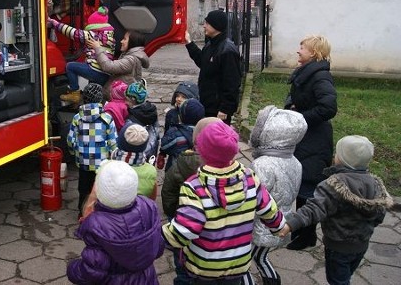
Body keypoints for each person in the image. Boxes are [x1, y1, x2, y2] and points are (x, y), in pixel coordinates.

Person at [162, 121, 286, 284]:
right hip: (238, 265)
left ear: (200, 151)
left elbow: (184, 231)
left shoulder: (194, 187)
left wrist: (159, 237)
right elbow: (269, 210)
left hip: (204, 267)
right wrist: (279, 227)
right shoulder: (250, 178)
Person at [278, 136, 393, 285]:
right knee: (345, 276)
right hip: (362, 244)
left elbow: (314, 208)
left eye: (338, 153)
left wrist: (291, 224)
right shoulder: (376, 184)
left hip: (337, 245)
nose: (334, 156)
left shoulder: (333, 185)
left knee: (336, 280)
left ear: (343, 159)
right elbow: (379, 214)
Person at [67, 160, 165, 284]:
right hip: (146, 279)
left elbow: (92, 271)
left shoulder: (97, 226)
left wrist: (73, 268)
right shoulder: (149, 208)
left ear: (100, 193)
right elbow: (158, 246)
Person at [284, 34, 338, 250]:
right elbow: (297, 98)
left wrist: (300, 116)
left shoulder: (320, 77)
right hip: (306, 137)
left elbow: (328, 108)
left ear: (314, 53)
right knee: (301, 184)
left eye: (302, 47)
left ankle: (308, 236)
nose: (298, 50)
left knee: (307, 187)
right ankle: (301, 232)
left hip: (315, 140)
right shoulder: (307, 73)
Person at [249, 105, 308, 285]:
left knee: (251, 258)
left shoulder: (262, 164)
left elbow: (254, 199)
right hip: (282, 220)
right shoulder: (295, 161)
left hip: (263, 223)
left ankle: (272, 281)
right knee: (260, 255)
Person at [161, 116, 218, 285]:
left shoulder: (179, 165)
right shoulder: (233, 171)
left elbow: (168, 194)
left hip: (183, 223)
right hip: (216, 244)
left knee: (183, 265)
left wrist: (173, 214)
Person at [80, 122, 158, 220]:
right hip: (136, 219)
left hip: (108, 221)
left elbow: (92, 200)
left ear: (120, 142)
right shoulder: (151, 171)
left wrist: (86, 218)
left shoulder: (105, 168)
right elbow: (151, 199)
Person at [67, 83, 117, 216]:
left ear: (84, 98)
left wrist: (74, 153)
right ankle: (99, 213)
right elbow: (113, 143)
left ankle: (82, 212)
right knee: (100, 188)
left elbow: (71, 140)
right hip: (102, 163)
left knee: (83, 188)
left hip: (83, 161)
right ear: (100, 99)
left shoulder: (77, 118)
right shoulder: (106, 119)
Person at [185, 10, 242, 124]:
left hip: (218, 110)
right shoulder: (211, 44)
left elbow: (232, 83)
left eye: (207, 23)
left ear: (216, 25)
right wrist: (189, 43)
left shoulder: (228, 51)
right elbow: (203, 62)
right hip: (207, 104)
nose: (204, 26)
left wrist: (225, 109)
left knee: (216, 139)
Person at [49, 6, 115, 105]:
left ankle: (74, 92)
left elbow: (73, 33)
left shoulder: (93, 34)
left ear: (94, 25)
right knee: (93, 96)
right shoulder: (110, 37)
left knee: (70, 66)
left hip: (95, 70)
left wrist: (56, 24)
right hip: (105, 74)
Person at [158, 98, 205, 172]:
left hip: (177, 169)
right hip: (198, 170)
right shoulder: (204, 134)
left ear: (181, 116)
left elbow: (164, 146)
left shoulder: (177, 135)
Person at [124, 81, 160, 163]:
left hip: (137, 155)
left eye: (127, 99)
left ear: (132, 100)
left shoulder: (131, 118)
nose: (125, 102)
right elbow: (157, 130)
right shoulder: (152, 110)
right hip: (151, 150)